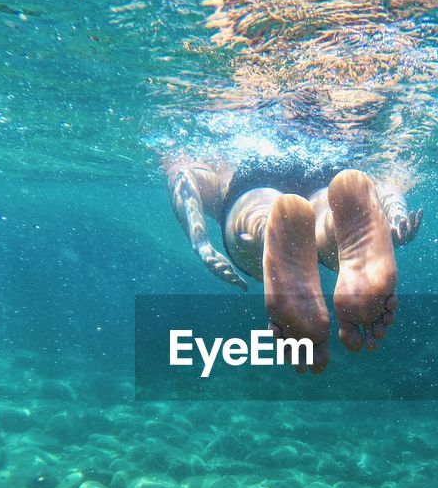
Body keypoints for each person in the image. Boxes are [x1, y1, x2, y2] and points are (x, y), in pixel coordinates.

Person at [166, 157, 422, 372]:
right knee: (326, 219)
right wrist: (396, 217)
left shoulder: (221, 160)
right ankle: (335, 227)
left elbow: (183, 176)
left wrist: (201, 243)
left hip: (249, 182)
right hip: (327, 171)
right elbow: (389, 185)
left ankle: (268, 231)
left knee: (253, 219)